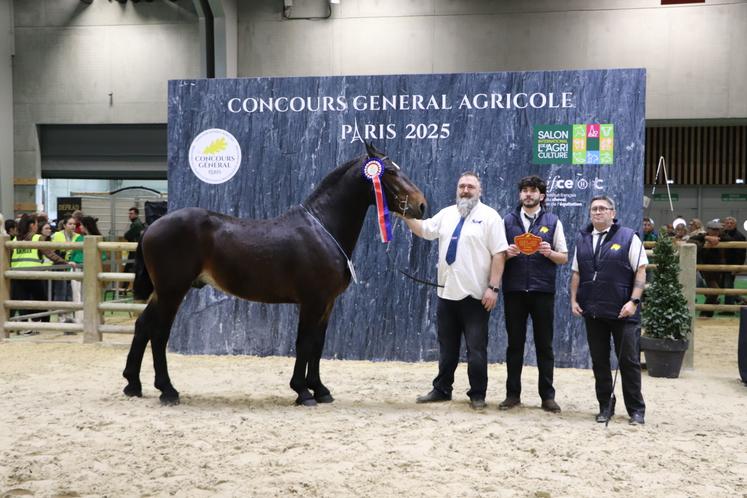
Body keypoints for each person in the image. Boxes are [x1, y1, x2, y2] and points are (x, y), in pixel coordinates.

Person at [403, 171, 508, 410]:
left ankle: (478, 395)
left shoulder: (490, 217)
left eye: (470, 186)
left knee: (476, 349)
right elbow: (424, 230)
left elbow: (499, 254)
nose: (465, 190)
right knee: (447, 347)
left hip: (477, 297)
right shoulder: (447, 214)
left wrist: (493, 288)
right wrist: (404, 215)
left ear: (479, 191)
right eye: (462, 186)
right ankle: (442, 389)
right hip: (446, 294)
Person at [570, 196, 647, 425]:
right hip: (592, 311)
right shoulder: (582, 239)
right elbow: (576, 273)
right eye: (593, 209)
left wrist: (633, 301)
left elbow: (641, 270)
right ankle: (605, 405)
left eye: (603, 208)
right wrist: (574, 299)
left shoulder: (628, 237)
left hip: (622, 311)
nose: (597, 212)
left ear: (612, 213)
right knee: (599, 361)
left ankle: (636, 409)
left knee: (629, 362)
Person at [499, 175, 567, 413]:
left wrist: (550, 253)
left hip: (542, 291)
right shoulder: (507, 221)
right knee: (514, 345)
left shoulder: (553, 221)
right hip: (514, 290)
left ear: (542, 195)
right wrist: (507, 252)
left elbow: (564, 257)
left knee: (544, 346)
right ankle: (512, 395)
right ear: (520, 195)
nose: (528, 194)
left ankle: (547, 397)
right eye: (524, 190)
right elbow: (497, 255)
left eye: (533, 191)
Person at [690, 220, 732, 317]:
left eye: (718, 229)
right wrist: (706, 238)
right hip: (707, 268)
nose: (716, 231)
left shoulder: (723, 237)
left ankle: (708, 313)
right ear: (708, 229)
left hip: (719, 269)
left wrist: (717, 239)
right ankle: (705, 313)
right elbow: (692, 238)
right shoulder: (702, 237)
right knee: (715, 290)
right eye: (714, 229)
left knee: (715, 291)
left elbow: (730, 239)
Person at [69, 216, 106, 322]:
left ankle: (93, 318)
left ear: (86, 226)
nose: (79, 227)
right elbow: (73, 254)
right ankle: (79, 319)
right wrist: (71, 264)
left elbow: (103, 256)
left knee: (91, 294)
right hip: (77, 268)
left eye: (80, 225)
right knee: (77, 295)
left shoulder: (98, 238)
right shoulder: (79, 238)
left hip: (91, 269)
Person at [722, 216, 746, 307]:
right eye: (727, 223)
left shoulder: (740, 236)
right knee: (724, 285)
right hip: (721, 264)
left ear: (735, 224)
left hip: (732, 264)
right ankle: (740, 299)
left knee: (728, 284)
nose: (729, 225)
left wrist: (738, 267)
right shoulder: (722, 233)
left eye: (731, 223)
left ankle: (728, 307)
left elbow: (742, 254)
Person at [123, 207, 145, 276]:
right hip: (135, 250)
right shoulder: (136, 223)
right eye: (129, 213)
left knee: (128, 269)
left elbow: (127, 235)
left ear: (136, 215)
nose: (129, 215)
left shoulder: (136, 224)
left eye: (131, 213)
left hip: (134, 251)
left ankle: (124, 286)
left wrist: (126, 235)